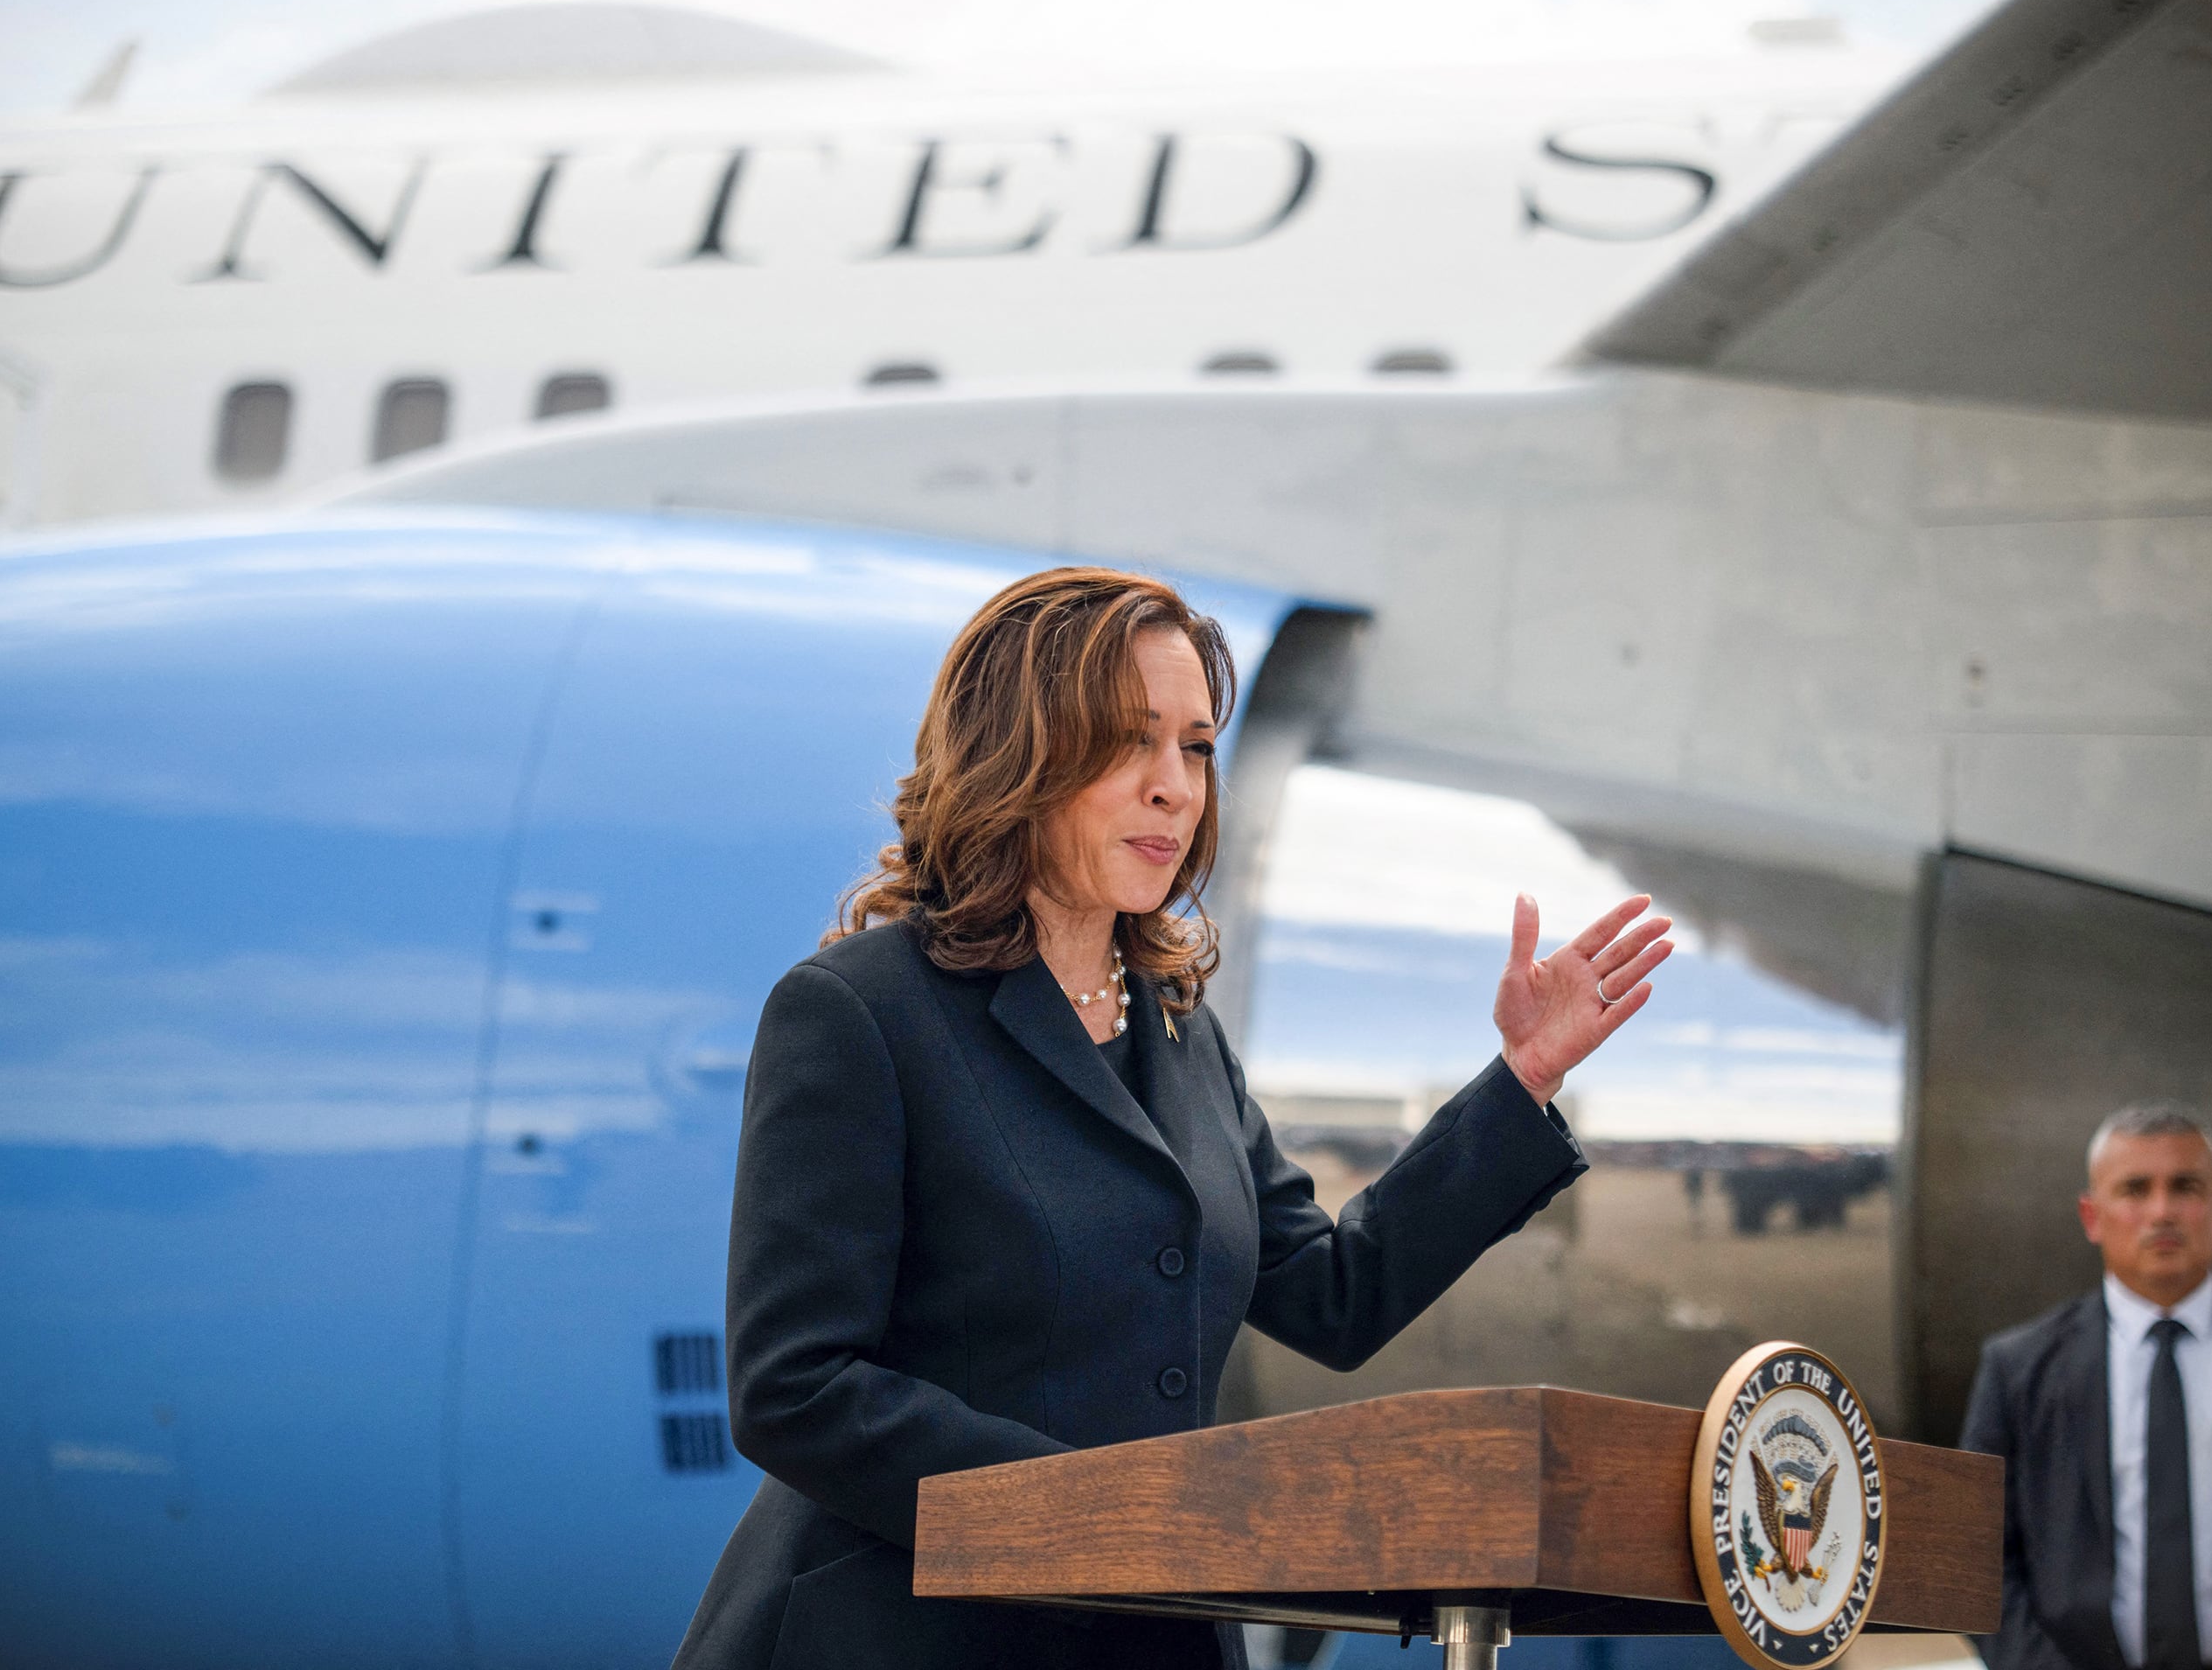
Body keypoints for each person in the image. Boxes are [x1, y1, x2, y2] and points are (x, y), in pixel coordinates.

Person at [673, 568, 1673, 1670]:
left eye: (1196, 746)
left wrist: (1518, 1082)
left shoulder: (1181, 1030)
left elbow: (1333, 1295)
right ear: (1021, 752)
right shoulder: (860, 1012)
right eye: (1129, 741)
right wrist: (1104, 1514)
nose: (1174, 786)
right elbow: (794, 1386)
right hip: (908, 1636)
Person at [1959, 1103, 2212, 1670]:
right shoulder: (2017, 1371)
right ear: (2091, 1215)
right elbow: (1976, 1565)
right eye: (2134, 1190)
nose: (2161, 1211)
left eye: (2185, 1187)